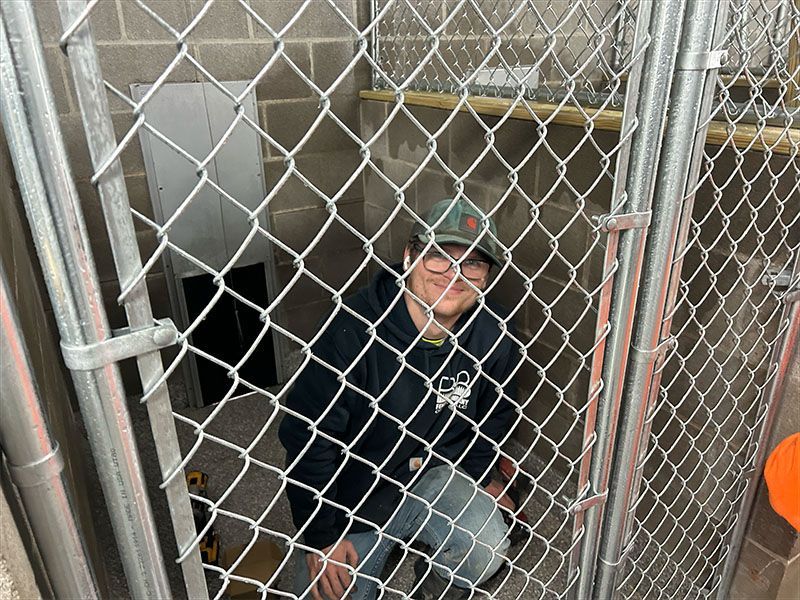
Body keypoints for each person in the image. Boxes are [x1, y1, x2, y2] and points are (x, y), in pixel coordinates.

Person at [279, 198, 519, 600]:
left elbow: (494, 416)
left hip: (435, 473)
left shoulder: (493, 332)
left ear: (486, 277)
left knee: (488, 545)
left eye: (473, 263)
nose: (454, 273)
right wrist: (322, 537)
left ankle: (431, 585)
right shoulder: (349, 331)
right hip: (355, 491)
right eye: (438, 255)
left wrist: (479, 478)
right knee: (321, 593)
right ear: (410, 256)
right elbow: (308, 440)